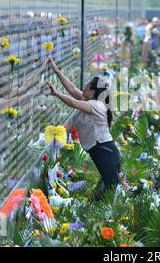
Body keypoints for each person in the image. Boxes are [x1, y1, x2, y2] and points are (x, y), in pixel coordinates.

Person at [46, 58, 120, 193]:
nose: (84, 87)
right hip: (100, 152)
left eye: (87, 85)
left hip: (105, 152)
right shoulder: (88, 101)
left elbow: (73, 102)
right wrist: (57, 71)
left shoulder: (97, 105)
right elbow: (72, 89)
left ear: (92, 92)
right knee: (103, 193)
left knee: (109, 192)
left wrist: (56, 93)